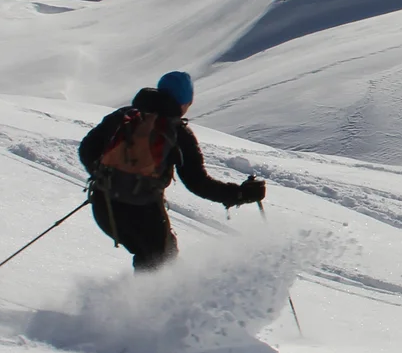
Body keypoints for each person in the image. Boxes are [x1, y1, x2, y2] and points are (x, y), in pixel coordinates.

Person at [77, 71, 265, 270]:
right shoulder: (178, 133)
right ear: (184, 102)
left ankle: (138, 299)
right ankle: (145, 301)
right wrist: (240, 194)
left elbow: (86, 150)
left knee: (153, 261)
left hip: (103, 205)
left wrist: (110, 177)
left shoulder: (124, 116)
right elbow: (198, 183)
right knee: (161, 265)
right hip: (144, 213)